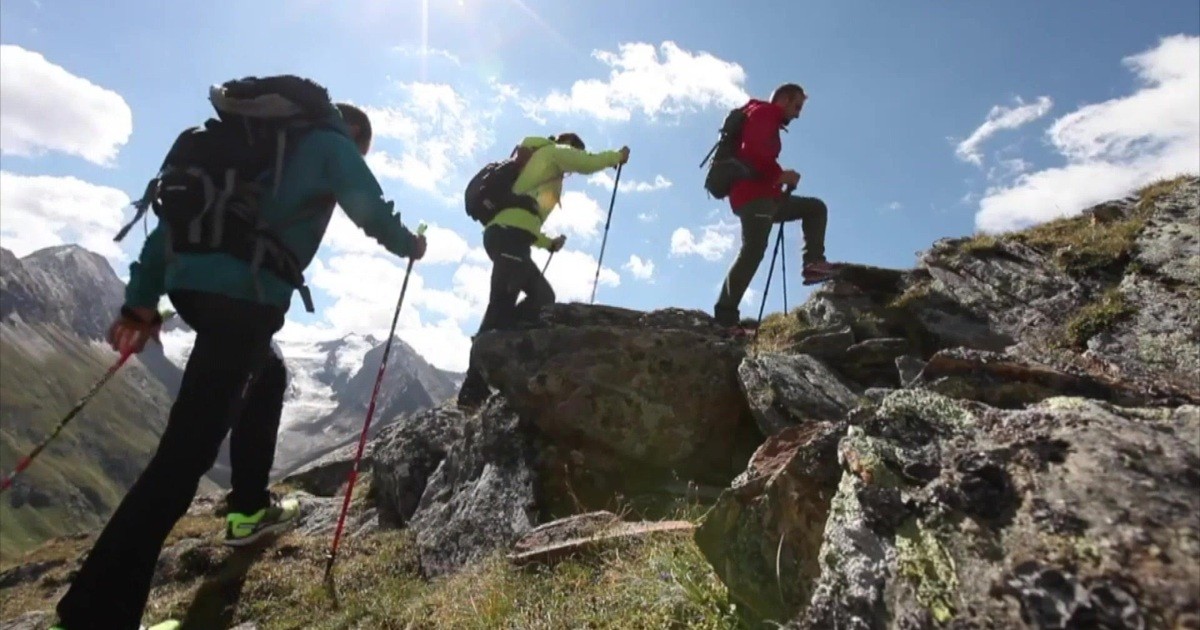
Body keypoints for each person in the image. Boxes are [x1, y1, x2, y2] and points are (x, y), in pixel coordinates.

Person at [51, 101, 427, 630]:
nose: (357, 154)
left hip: (194, 290)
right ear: (357, 134)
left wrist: (140, 302)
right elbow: (369, 207)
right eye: (361, 147)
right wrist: (410, 243)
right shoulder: (331, 142)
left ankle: (248, 508)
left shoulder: (250, 155)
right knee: (181, 461)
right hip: (244, 299)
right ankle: (92, 617)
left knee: (268, 375)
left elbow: (171, 227)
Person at [455, 133, 629, 410]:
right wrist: (616, 158)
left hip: (509, 235)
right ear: (569, 147)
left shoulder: (540, 168)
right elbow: (587, 162)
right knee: (503, 304)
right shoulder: (553, 153)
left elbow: (525, 217)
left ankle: (493, 340)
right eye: (573, 157)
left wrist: (548, 243)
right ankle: (472, 386)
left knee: (542, 296)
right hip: (509, 236)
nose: (571, 168)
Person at [713, 83, 838, 329]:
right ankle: (725, 316)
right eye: (796, 106)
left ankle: (813, 264)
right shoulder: (766, 113)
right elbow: (754, 152)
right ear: (783, 99)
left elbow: (755, 154)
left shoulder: (756, 114)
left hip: (761, 196)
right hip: (755, 196)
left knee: (815, 209)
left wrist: (778, 179)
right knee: (753, 250)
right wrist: (781, 176)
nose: (798, 114)